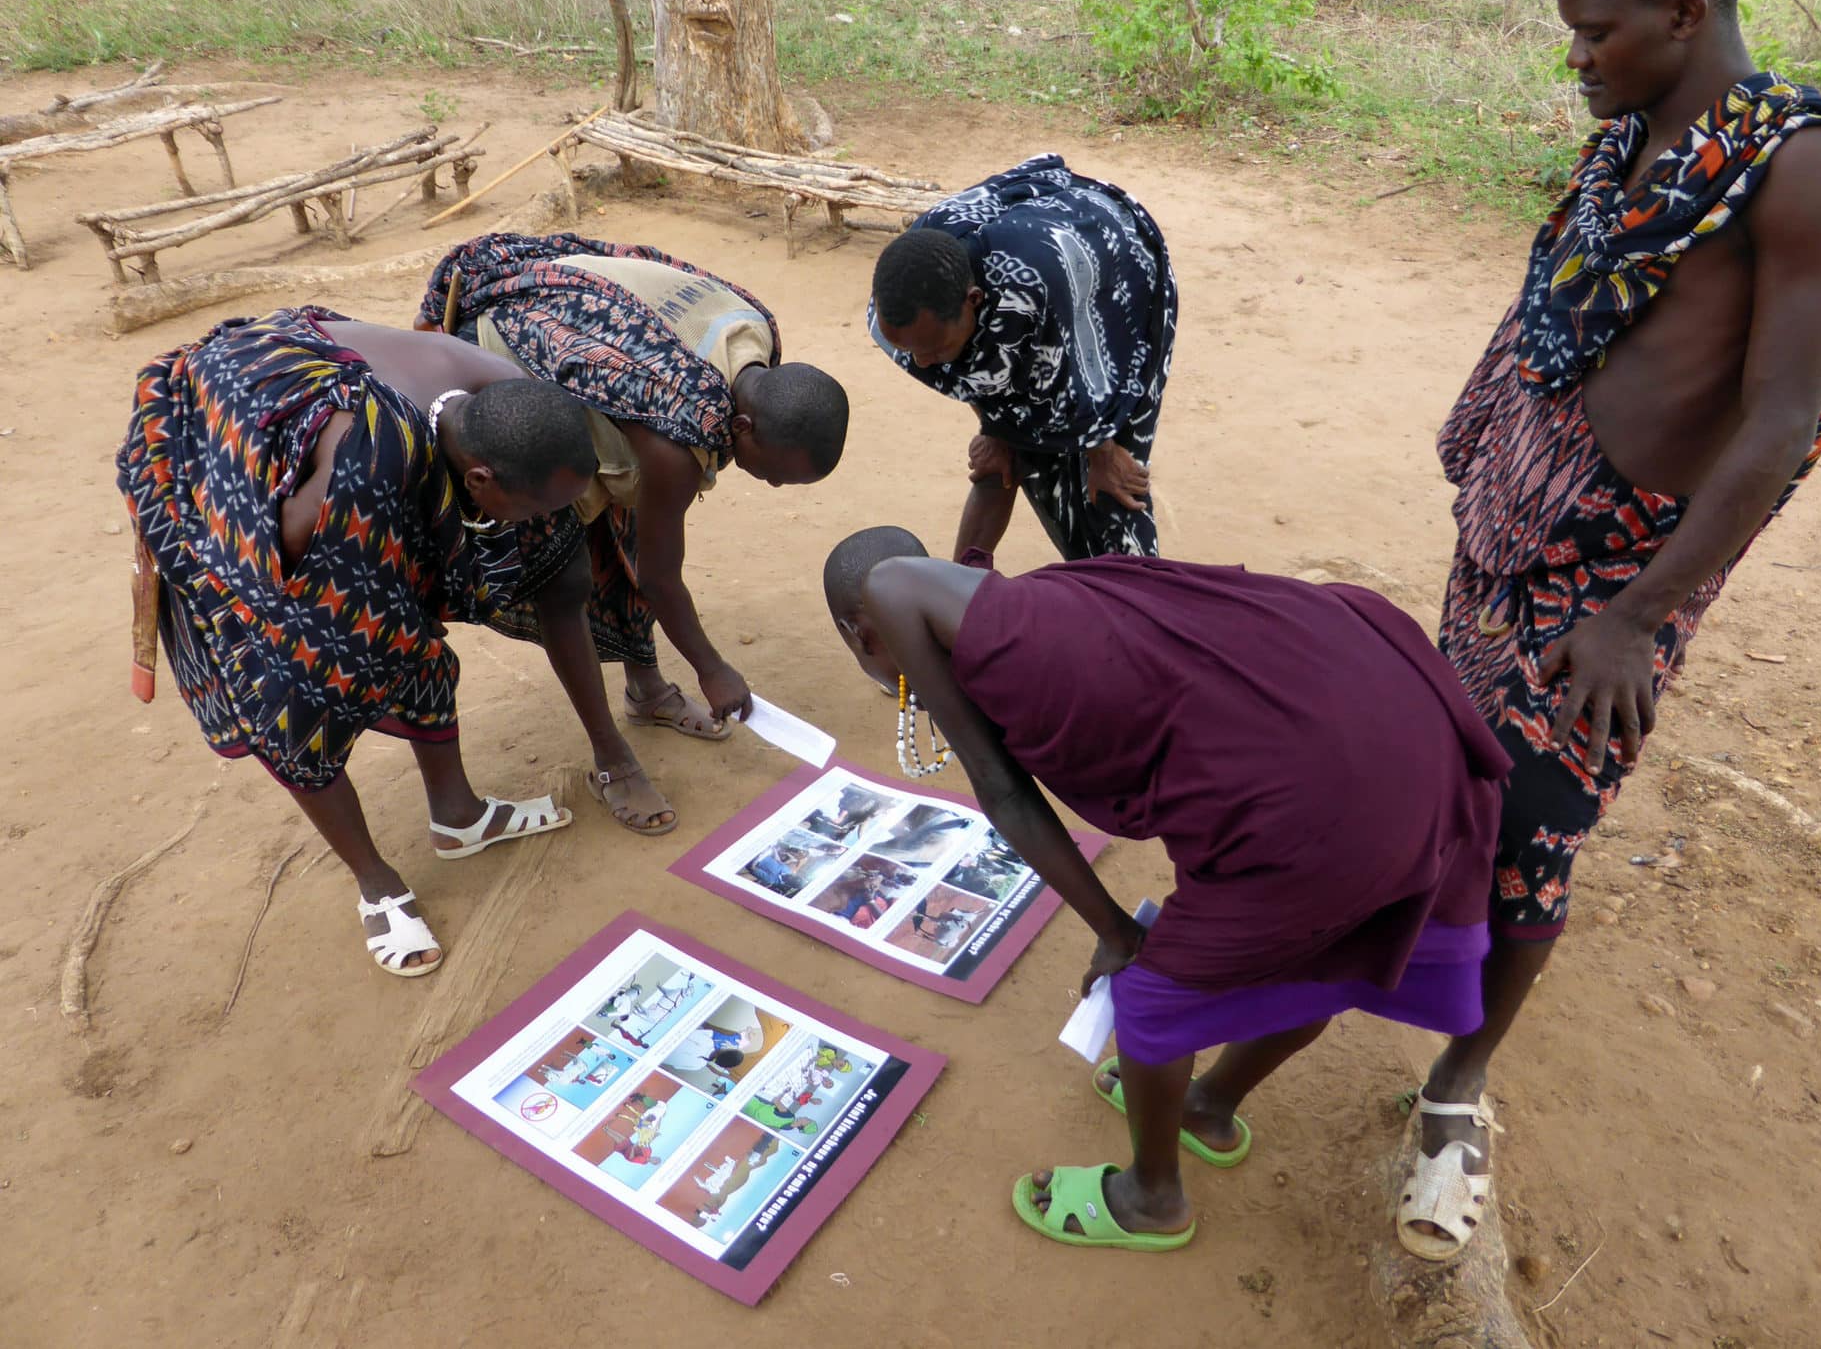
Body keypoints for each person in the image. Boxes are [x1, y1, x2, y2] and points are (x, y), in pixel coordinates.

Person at [1411, 0, 1821, 1260]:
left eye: (1596, 32)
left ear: (1685, 14)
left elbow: (1786, 421)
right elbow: (1573, 305)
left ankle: (1456, 1089)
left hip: (1619, 579)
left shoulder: (1803, 168)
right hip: (1511, 527)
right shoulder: (1639, 138)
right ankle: (1411, 969)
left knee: (1532, 838)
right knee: (1452, 778)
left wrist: (1636, 616)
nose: (1576, 56)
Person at [821, 528, 1511, 1251]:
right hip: (1400, 721)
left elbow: (1002, 789)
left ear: (860, 632)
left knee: (1149, 1000)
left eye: (888, 671)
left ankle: (1150, 1198)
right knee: (1318, 958)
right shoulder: (1047, 600)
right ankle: (1206, 1108)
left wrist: (1118, 934)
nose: (908, 693)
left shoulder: (892, 593)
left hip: (1332, 802)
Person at [117, 308, 597, 978]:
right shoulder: (374, 464)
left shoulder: (502, 393)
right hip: (229, 473)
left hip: (297, 396)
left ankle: (458, 816)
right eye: (539, 509)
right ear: (482, 481)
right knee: (294, 701)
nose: (544, 522)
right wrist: (326, 628)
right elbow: (275, 546)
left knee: (418, 653)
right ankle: (375, 881)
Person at [416, 233, 851, 835]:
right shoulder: (676, 437)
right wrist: (711, 666)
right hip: (508, 366)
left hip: (588, 353)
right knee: (563, 578)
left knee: (625, 528)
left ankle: (644, 688)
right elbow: (661, 578)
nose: (772, 488)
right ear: (743, 426)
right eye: (774, 474)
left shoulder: (756, 337)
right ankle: (611, 757)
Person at [869, 155, 1177, 563]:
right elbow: (976, 378)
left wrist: (1101, 448)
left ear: (973, 302)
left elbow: (1089, 372)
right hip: (1028, 270)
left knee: (1110, 491)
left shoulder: (1033, 292)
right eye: (910, 351)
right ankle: (959, 588)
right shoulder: (905, 299)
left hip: (1115, 275)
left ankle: (1139, 604)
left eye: (934, 351)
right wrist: (994, 427)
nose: (924, 365)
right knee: (1006, 454)